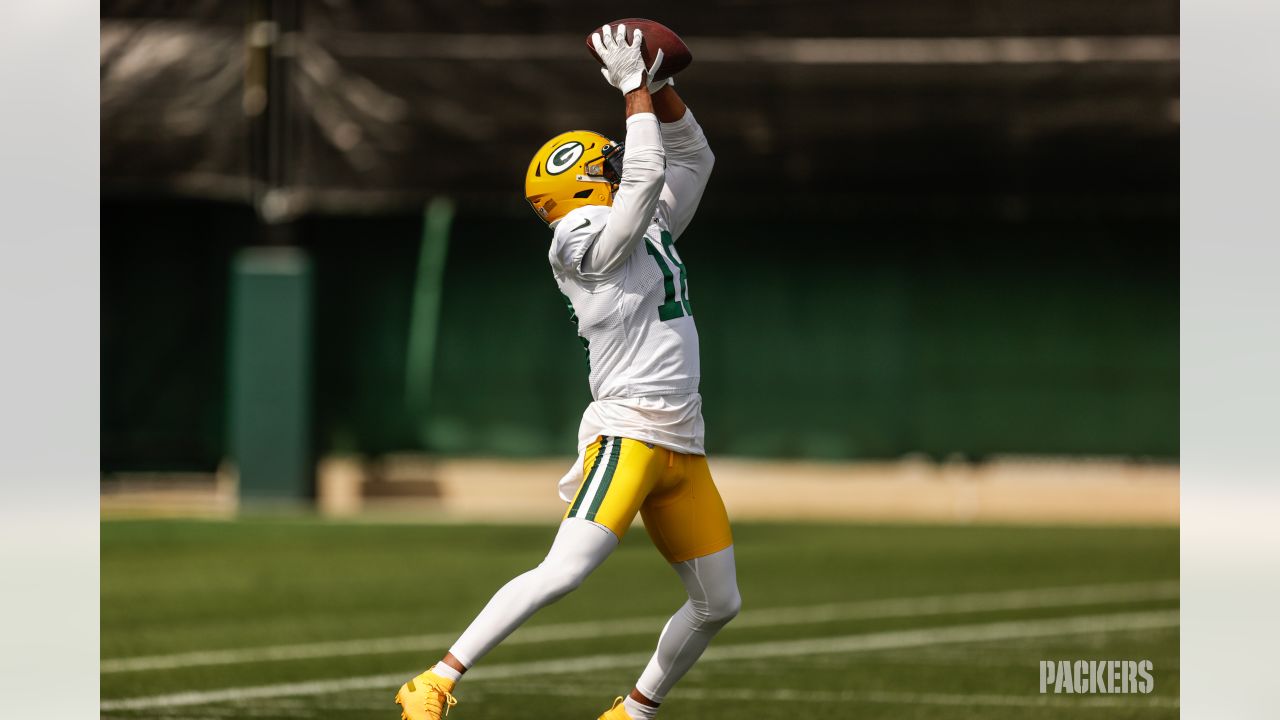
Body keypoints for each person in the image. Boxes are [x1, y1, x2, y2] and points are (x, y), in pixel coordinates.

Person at [395, 23, 739, 720]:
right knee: (566, 571)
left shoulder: (641, 223)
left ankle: (634, 711)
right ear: (581, 183)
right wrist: (631, 89)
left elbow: (692, 161)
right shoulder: (576, 240)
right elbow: (642, 177)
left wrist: (662, 91)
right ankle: (435, 679)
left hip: (681, 440)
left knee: (718, 603)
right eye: (602, 163)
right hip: (630, 435)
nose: (617, 163)